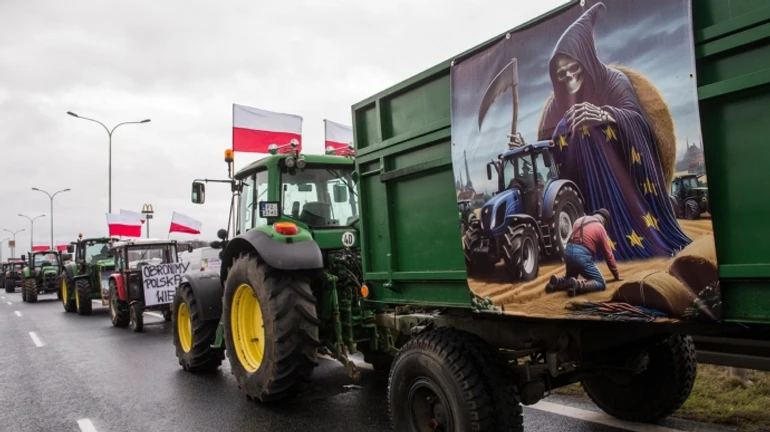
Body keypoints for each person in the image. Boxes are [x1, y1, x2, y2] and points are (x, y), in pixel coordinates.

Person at [545, 208, 619, 297]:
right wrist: (616, 274)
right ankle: (578, 285)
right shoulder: (600, 227)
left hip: (568, 252)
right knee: (600, 282)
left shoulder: (579, 220)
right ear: (604, 221)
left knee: (570, 278)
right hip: (581, 255)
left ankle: (557, 282)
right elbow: (609, 255)